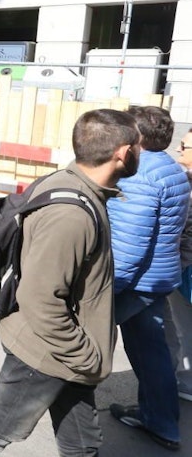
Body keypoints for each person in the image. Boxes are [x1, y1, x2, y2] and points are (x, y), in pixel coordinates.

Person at [0, 109, 141, 457]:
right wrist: (86, 355)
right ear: (123, 152)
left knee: (82, 443)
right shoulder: (71, 215)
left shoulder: (71, 182)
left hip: (65, 352)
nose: (140, 153)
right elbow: (41, 299)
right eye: (138, 147)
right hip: (46, 355)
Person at [107, 106, 189, 451]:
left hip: (135, 281)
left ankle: (159, 421)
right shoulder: (174, 170)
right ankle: (162, 417)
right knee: (151, 348)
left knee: (127, 346)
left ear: (137, 137)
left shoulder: (140, 176)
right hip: (158, 276)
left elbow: (129, 245)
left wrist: (110, 290)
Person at [172, 128, 192, 402]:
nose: (179, 150)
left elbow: (185, 234)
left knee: (184, 328)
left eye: (184, 147)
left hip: (186, 270)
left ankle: (186, 382)